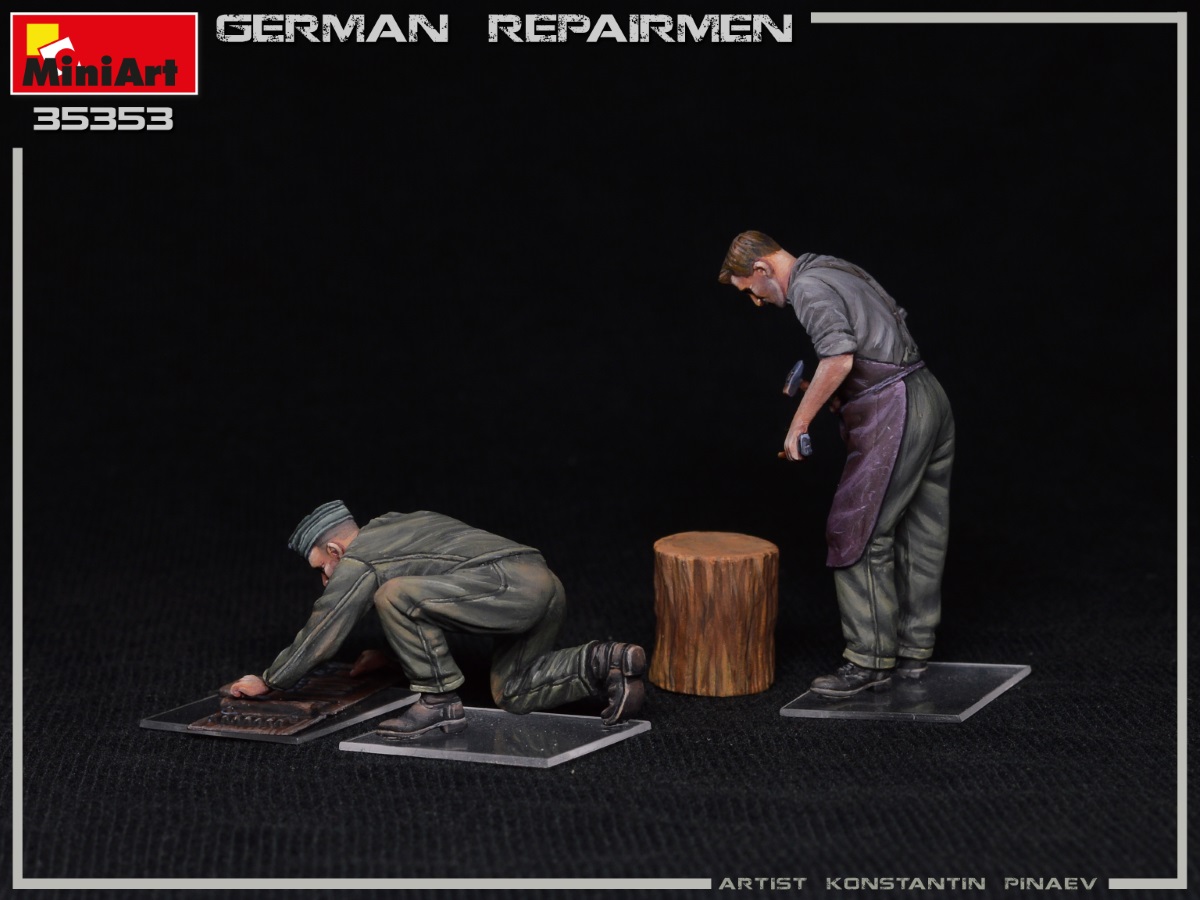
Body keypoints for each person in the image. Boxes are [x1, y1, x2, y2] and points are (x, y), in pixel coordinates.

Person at [718, 231, 955, 698]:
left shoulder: (807, 286)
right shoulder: (834, 266)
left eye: (750, 290)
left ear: (762, 270)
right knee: (921, 529)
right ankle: (915, 649)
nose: (756, 301)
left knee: (856, 528)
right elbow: (883, 337)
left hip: (896, 409)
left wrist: (798, 423)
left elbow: (840, 358)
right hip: (928, 394)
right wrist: (841, 395)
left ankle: (869, 659)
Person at [228, 501, 647, 738]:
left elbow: (325, 626)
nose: (324, 577)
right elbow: (435, 590)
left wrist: (272, 680)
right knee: (514, 691)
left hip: (505, 585)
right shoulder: (398, 524)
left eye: (322, 566)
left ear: (336, 550)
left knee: (393, 594)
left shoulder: (359, 559)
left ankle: (439, 702)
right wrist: (394, 657)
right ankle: (606, 661)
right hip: (541, 580)